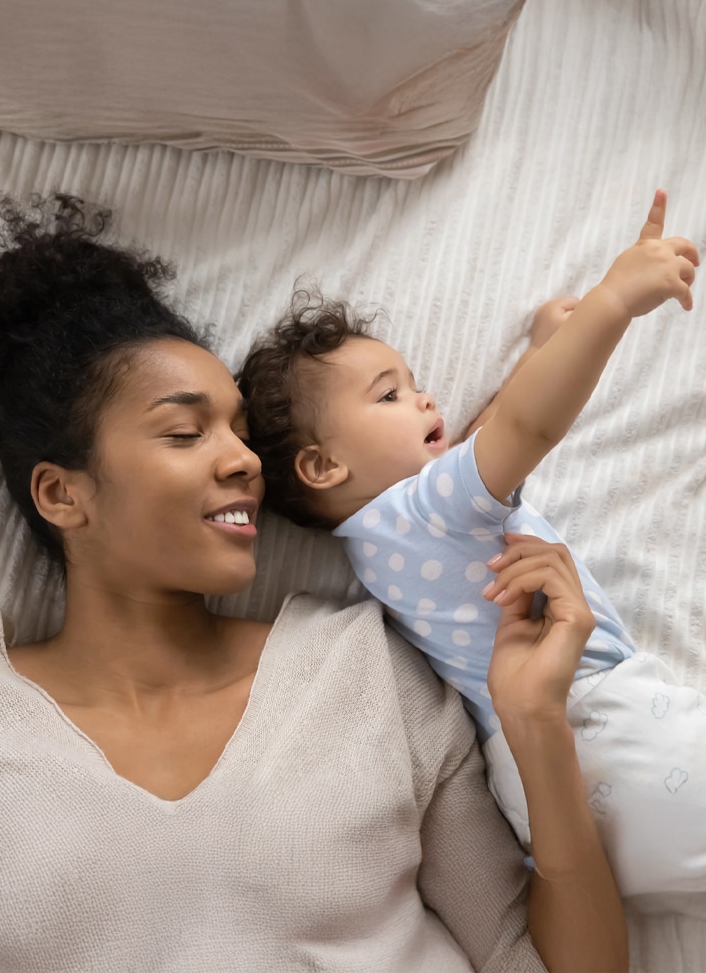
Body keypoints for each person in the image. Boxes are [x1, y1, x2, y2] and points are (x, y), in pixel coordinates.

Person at [0, 192, 628, 973]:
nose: (243, 461)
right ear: (63, 494)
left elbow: (543, 962)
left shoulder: (362, 671)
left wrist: (536, 723)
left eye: (238, 430)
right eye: (184, 432)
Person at [239, 191, 705, 908]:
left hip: (549, 793)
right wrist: (613, 302)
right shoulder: (424, 509)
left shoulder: (380, 541)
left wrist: (540, 349)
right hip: (604, 726)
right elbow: (522, 429)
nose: (426, 401)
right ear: (323, 466)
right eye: (390, 395)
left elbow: (484, 440)